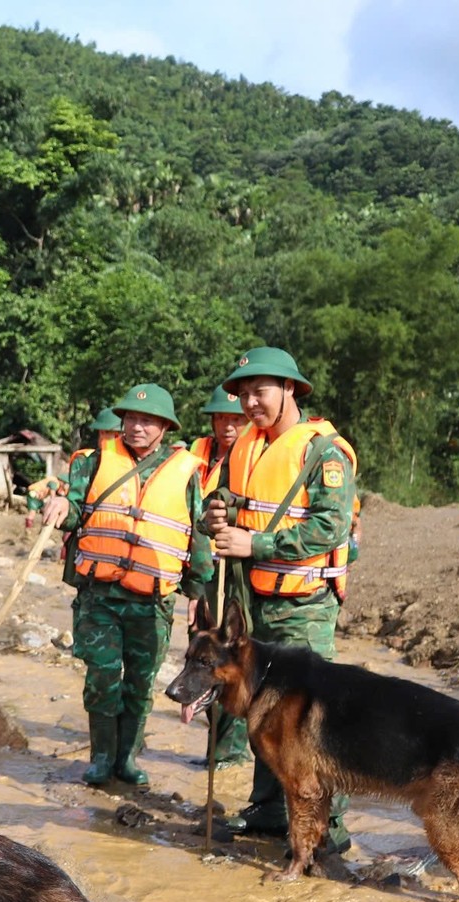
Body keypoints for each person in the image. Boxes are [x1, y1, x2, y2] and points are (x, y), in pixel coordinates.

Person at [201, 347, 358, 852]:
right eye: (243, 393)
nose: (249, 402)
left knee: (309, 718)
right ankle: (269, 810)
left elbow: (330, 525)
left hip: (303, 604)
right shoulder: (247, 443)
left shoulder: (323, 453)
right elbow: (220, 496)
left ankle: (328, 828)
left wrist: (257, 543)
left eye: (259, 391)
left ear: (291, 389)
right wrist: (215, 515)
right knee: (261, 713)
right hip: (255, 603)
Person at [44, 384, 211, 788]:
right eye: (131, 419)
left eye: (147, 420)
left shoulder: (186, 471)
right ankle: (101, 757)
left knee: (141, 681)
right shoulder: (94, 461)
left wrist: (201, 594)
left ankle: (128, 758)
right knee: (102, 676)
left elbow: (197, 532)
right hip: (99, 596)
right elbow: (76, 509)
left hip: (152, 600)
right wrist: (63, 506)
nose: (137, 426)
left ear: (164, 427)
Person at [186, 386, 251, 766]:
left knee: (232, 662)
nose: (229, 426)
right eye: (222, 418)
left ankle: (228, 752)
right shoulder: (197, 461)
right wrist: (195, 584)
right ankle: (215, 744)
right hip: (207, 574)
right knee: (201, 660)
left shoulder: (254, 461)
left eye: (236, 419)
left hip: (241, 575)